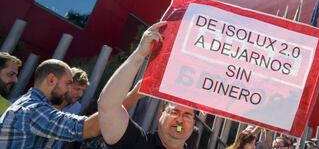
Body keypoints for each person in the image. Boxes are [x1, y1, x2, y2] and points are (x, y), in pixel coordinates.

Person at [98, 21, 197, 149]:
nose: (179, 120)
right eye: (174, 112)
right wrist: (140, 53)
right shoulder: (136, 142)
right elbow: (108, 107)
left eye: (187, 115)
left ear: (194, 123)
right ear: (161, 115)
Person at [0, 59, 100, 148]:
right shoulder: (34, 110)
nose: (68, 89)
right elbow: (88, 128)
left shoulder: (31, 104)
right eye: (68, 83)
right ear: (51, 80)